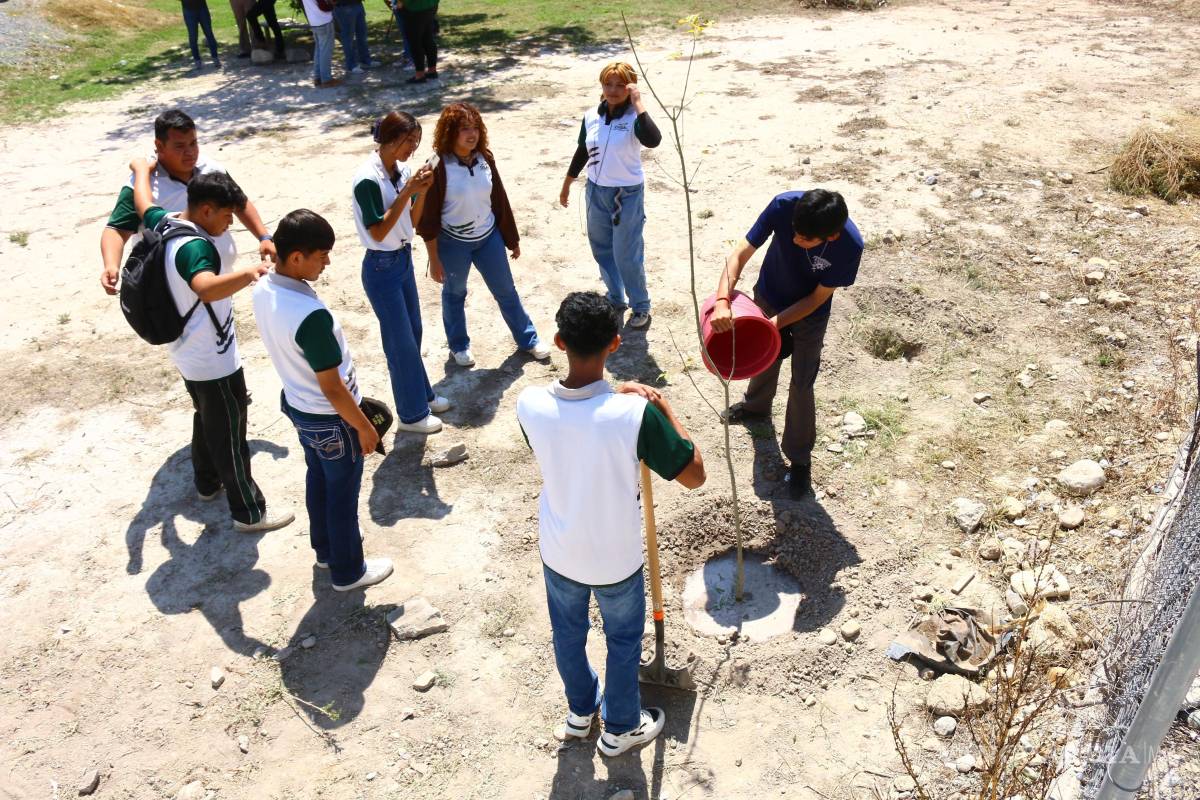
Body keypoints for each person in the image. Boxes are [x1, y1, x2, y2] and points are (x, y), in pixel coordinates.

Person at [516, 291, 705, 757]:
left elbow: (572, 429)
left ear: (558, 341)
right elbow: (695, 476)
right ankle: (620, 726)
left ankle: (581, 712)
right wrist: (661, 407)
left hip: (559, 551)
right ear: (616, 344)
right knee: (622, 640)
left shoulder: (529, 404)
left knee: (568, 634)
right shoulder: (634, 413)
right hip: (615, 558)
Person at [126, 158, 294, 534]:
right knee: (231, 433)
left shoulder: (168, 221)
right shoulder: (195, 248)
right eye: (226, 216)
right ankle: (249, 512)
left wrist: (141, 172)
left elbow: (142, 203)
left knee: (208, 416)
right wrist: (249, 273)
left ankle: (206, 483)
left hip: (190, 353)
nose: (230, 224)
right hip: (211, 357)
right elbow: (203, 286)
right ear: (205, 209)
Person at [253, 210, 395, 591]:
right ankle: (349, 572)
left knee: (318, 479)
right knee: (343, 494)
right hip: (332, 417)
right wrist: (364, 427)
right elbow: (333, 387)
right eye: (322, 255)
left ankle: (325, 552)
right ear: (296, 257)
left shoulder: (265, 288)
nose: (327, 262)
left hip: (301, 408)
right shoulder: (309, 316)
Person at [710, 189, 863, 500]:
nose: (795, 240)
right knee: (764, 358)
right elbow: (741, 251)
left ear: (830, 237)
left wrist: (774, 326)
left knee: (802, 382)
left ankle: (799, 458)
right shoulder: (784, 206)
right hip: (769, 294)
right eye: (794, 231)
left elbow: (817, 298)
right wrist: (723, 300)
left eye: (805, 239)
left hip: (810, 313)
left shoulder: (849, 246)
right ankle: (756, 408)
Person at [417, 102, 551, 367]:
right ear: (449, 132)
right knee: (455, 293)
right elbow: (427, 220)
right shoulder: (437, 166)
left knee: (505, 290)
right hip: (453, 243)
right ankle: (459, 346)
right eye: (464, 128)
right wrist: (434, 259)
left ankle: (528, 339)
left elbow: (499, 200)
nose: (472, 134)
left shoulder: (485, 158)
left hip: (488, 238)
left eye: (475, 127)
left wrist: (512, 240)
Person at [100, 109, 277, 296]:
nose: (190, 152)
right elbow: (116, 229)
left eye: (193, 143)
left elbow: (240, 203)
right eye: (180, 146)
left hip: (220, 281)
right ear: (159, 146)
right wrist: (111, 265)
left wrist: (263, 236)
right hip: (175, 289)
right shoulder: (144, 184)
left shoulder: (210, 168)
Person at [352, 112, 450, 435]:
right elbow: (378, 231)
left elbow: (412, 219)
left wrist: (419, 191)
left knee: (414, 333)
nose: (413, 148)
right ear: (391, 139)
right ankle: (411, 415)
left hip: (402, 258)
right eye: (409, 141)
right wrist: (408, 191)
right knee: (400, 343)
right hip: (381, 265)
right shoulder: (367, 178)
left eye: (415, 142)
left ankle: (422, 394)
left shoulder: (402, 171)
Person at [559, 62, 662, 329]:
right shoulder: (592, 115)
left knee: (626, 253)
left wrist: (638, 103)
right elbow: (583, 150)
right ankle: (616, 298)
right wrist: (568, 182)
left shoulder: (634, 119)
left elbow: (653, 139)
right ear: (601, 85)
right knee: (601, 249)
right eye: (608, 84)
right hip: (595, 191)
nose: (613, 90)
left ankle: (640, 305)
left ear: (630, 87)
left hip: (626, 193)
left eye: (620, 85)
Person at [300, 0, 341, 88]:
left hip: (314, 21)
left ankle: (318, 77)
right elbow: (325, 6)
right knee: (325, 52)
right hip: (323, 21)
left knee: (319, 50)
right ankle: (326, 79)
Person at [397, 0, 438, 83]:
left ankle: (420, 75)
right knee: (428, 38)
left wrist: (400, 2)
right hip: (430, 6)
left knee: (415, 42)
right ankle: (432, 70)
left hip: (415, 9)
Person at [333, 0, 373, 75]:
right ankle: (351, 66)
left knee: (362, 33)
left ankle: (365, 61)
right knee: (348, 37)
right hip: (344, 6)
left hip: (358, 4)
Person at [180, 0, 221, 70]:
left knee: (209, 33)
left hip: (202, 8)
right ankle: (197, 61)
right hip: (188, 9)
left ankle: (215, 58)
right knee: (193, 36)